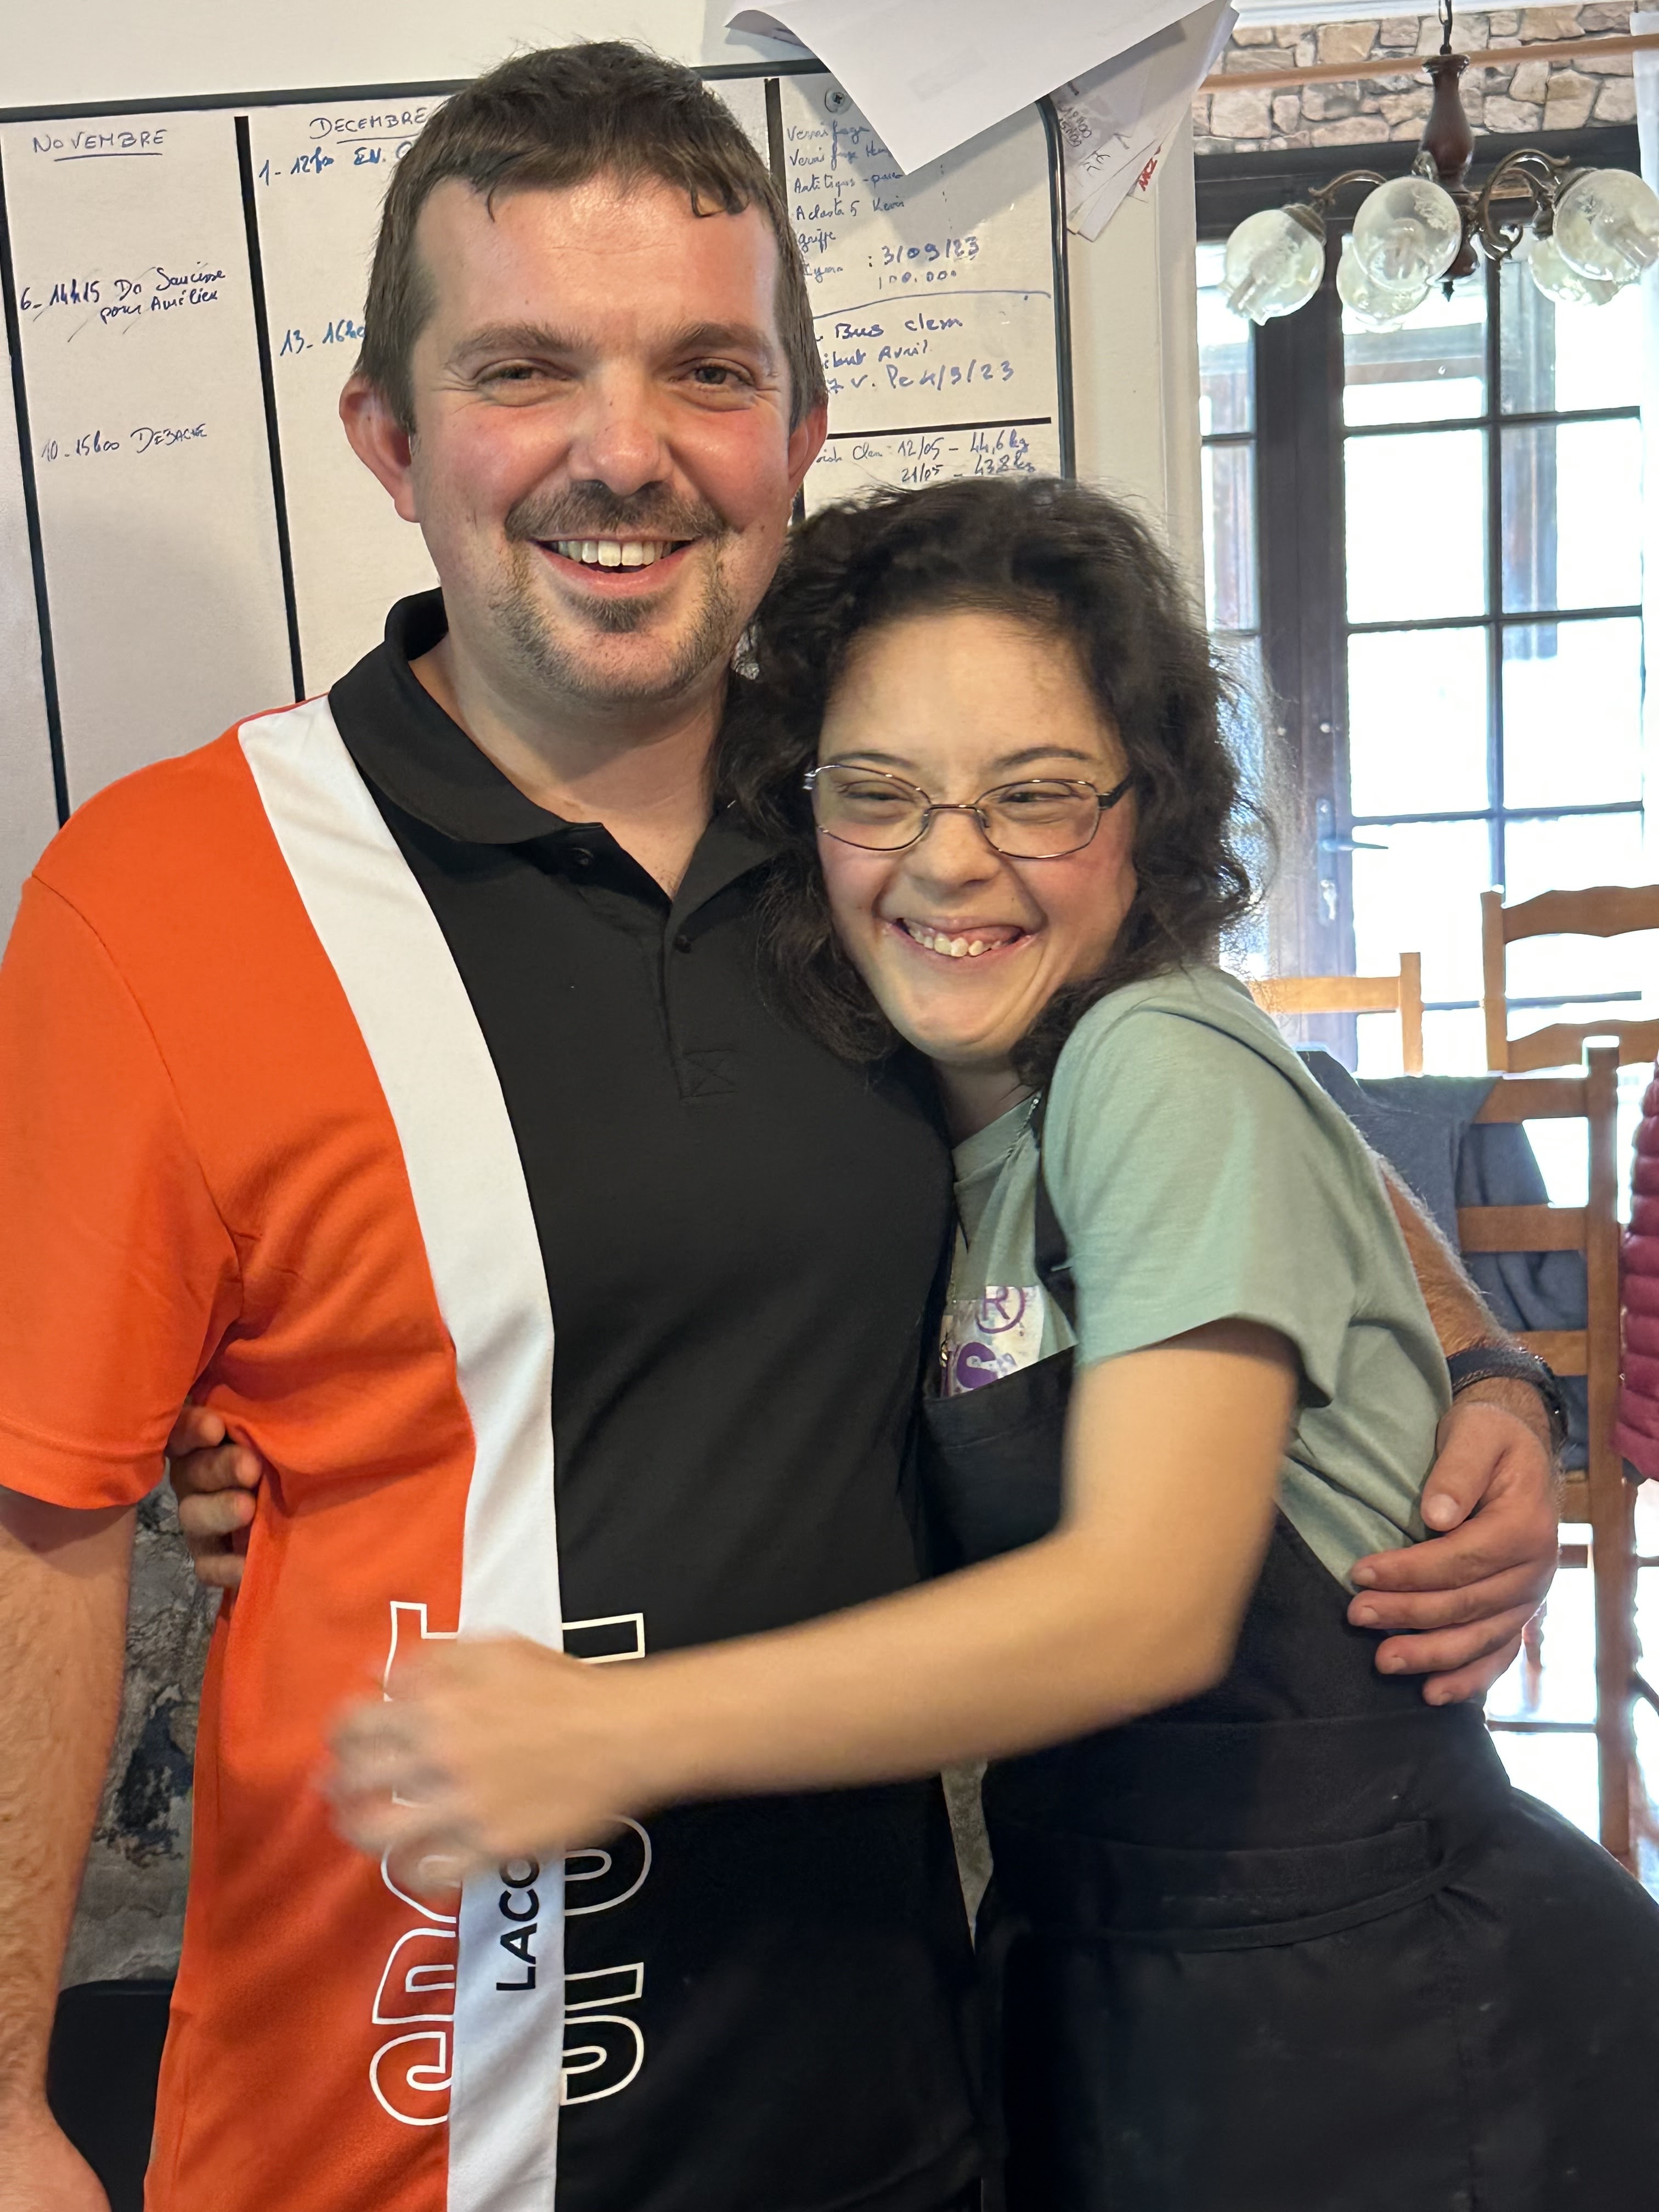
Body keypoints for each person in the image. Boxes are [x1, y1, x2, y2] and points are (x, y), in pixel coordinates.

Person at [0, 39, 1550, 2212]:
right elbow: (40, 1518)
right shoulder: (162, 894)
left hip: (894, 2094)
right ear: (390, 436)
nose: (623, 450)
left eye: (707, 372)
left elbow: (1192, 1086)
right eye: (527, 368)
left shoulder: (886, 831)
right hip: (397, 2121)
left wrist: (1478, 1363)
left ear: (800, 434)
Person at [324, 477, 1659, 2212]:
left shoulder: (1146, 1060)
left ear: (1147, 812)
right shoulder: (927, 1101)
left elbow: (1145, 1605)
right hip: (1115, 1983)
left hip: (1387, 2023)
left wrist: (606, 1735)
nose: (950, 859)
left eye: (1035, 794)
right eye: (878, 790)